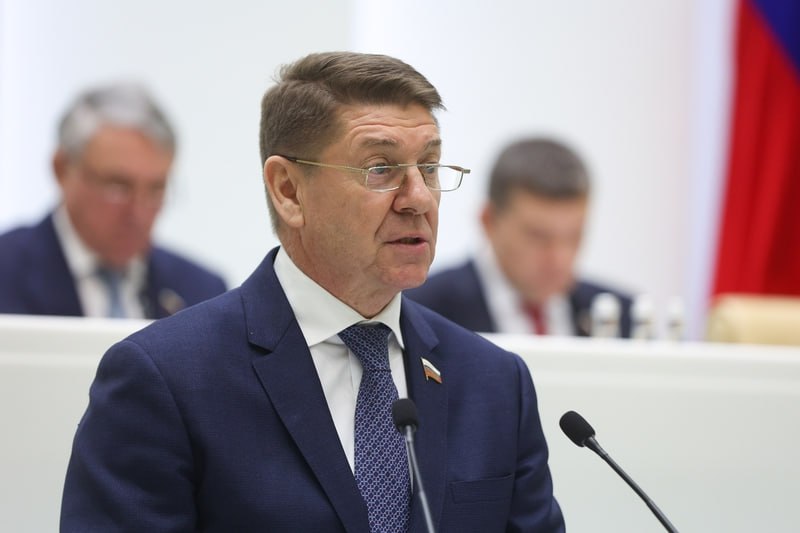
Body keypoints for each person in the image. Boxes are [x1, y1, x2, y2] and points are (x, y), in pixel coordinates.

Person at [61, 52, 565, 532]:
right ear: (288, 190)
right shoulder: (166, 380)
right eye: (380, 169)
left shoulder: (494, 383)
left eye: (429, 168)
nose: (418, 199)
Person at [0, 83, 226, 319]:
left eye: (156, 190)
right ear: (62, 169)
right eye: (118, 187)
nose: (138, 213)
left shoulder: (201, 293)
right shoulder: (6, 272)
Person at [406, 137, 633, 337]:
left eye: (574, 236)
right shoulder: (422, 311)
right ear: (488, 221)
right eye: (539, 237)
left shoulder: (625, 318)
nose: (559, 259)